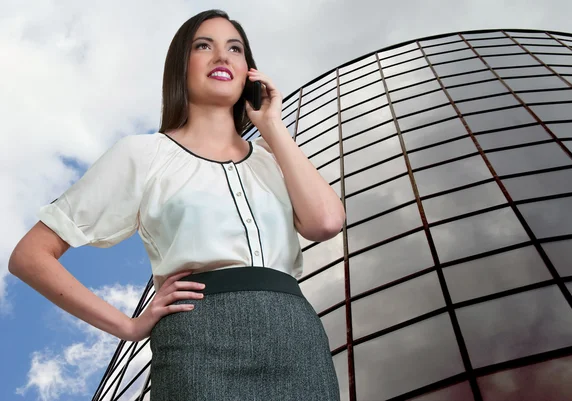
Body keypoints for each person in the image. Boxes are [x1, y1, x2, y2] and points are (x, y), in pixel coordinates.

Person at [8, 9, 345, 401]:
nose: (222, 57)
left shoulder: (275, 159)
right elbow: (29, 257)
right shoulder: (143, 154)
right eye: (205, 46)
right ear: (181, 66)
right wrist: (128, 326)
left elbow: (326, 222)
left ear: (249, 71)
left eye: (235, 49)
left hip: (297, 342)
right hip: (197, 342)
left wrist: (272, 124)